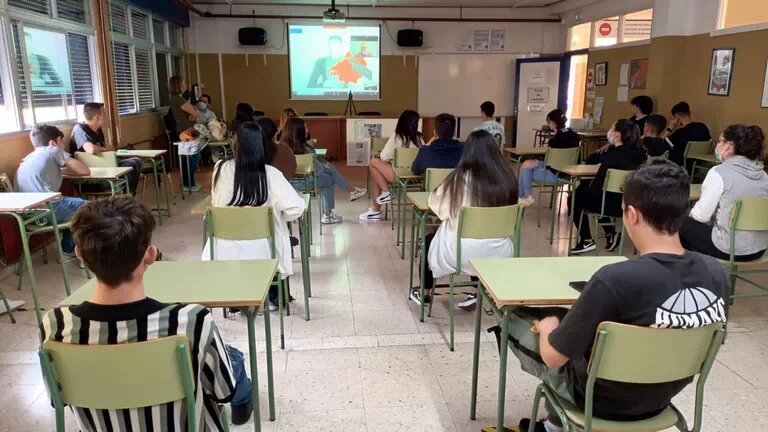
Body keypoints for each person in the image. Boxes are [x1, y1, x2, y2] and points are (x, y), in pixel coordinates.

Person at [513, 162, 729, 432]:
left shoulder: (614, 279)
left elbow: (554, 358)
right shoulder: (716, 273)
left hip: (599, 399)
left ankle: (554, 426)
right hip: (663, 396)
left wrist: (547, 329)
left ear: (632, 214)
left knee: (519, 322)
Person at [40, 197, 254, 430]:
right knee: (230, 358)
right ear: (151, 255)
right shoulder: (191, 321)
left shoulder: (55, 326)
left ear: (79, 253)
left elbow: (56, 399)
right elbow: (224, 393)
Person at [205, 122, 304, 309]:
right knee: (276, 230)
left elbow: (216, 201)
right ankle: (272, 296)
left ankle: (235, 297)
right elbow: (296, 208)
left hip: (223, 249)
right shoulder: (271, 175)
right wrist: (277, 216)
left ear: (236, 145)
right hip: (263, 252)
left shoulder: (220, 168)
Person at [415, 130, 518, 310]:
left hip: (461, 253)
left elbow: (436, 205)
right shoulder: (508, 179)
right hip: (499, 252)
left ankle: (425, 292)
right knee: (481, 238)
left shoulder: (458, 180)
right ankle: (475, 291)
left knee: (429, 241)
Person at [679, 125, 768, 261]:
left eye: (719, 141)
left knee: (679, 221)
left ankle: (690, 271)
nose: (717, 145)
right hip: (759, 249)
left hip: (728, 248)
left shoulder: (719, 173)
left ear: (729, 145)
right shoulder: (764, 175)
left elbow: (700, 216)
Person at [571, 119, 647, 254]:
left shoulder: (611, 158)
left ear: (617, 135)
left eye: (612, 129)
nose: (609, 132)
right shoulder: (641, 155)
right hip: (630, 205)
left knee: (576, 196)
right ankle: (610, 234)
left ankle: (587, 240)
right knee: (587, 193)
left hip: (609, 205)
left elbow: (596, 188)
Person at [15, 124, 90, 256]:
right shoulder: (52, 150)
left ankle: (69, 247)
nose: (64, 146)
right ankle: (73, 249)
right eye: (61, 141)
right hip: (48, 211)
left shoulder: (26, 159)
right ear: (52, 143)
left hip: (25, 216)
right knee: (89, 209)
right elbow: (85, 171)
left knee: (75, 205)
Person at [282, 117, 366, 224]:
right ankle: (328, 213)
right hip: (307, 183)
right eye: (305, 127)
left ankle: (351, 191)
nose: (307, 129)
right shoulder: (306, 149)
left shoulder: (282, 148)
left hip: (289, 184)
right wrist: (324, 166)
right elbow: (318, 170)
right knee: (329, 178)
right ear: (300, 131)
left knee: (327, 167)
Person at [359, 109, 424, 222]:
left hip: (400, 177)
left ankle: (384, 196)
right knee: (378, 175)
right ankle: (376, 210)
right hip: (417, 178)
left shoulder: (398, 137)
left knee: (373, 163)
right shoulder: (419, 138)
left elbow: (383, 158)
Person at [69, 102, 142, 194]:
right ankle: (127, 197)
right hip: (92, 176)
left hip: (103, 167)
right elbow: (90, 149)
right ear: (97, 117)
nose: (107, 116)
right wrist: (103, 149)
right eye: (105, 114)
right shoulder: (79, 128)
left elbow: (104, 153)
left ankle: (129, 195)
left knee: (137, 161)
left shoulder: (98, 130)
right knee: (131, 163)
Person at [518, 109, 580, 206]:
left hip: (555, 174)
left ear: (552, 123)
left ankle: (524, 198)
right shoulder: (575, 136)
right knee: (527, 165)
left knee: (525, 170)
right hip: (568, 175)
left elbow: (549, 163)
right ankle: (523, 198)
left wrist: (537, 162)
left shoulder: (555, 140)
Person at [168, 76, 201, 191]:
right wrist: (194, 111)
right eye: (184, 83)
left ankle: (188, 182)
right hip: (186, 130)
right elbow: (195, 113)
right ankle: (189, 183)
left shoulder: (174, 98)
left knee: (187, 157)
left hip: (183, 129)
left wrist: (193, 113)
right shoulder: (179, 99)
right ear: (179, 85)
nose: (186, 85)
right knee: (192, 156)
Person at [307, 35, 372, 88]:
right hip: (326, 98)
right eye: (332, 44)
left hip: (346, 97)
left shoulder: (349, 61)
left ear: (340, 45)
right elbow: (310, 86)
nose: (334, 47)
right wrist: (323, 85)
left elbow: (369, 75)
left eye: (337, 44)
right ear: (329, 45)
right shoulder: (321, 62)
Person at [664, 101, 712, 166]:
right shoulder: (702, 127)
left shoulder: (679, 133)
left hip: (681, 165)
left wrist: (670, 128)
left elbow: (662, 142)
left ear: (677, 118)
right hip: (699, 164)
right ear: (689, 113)